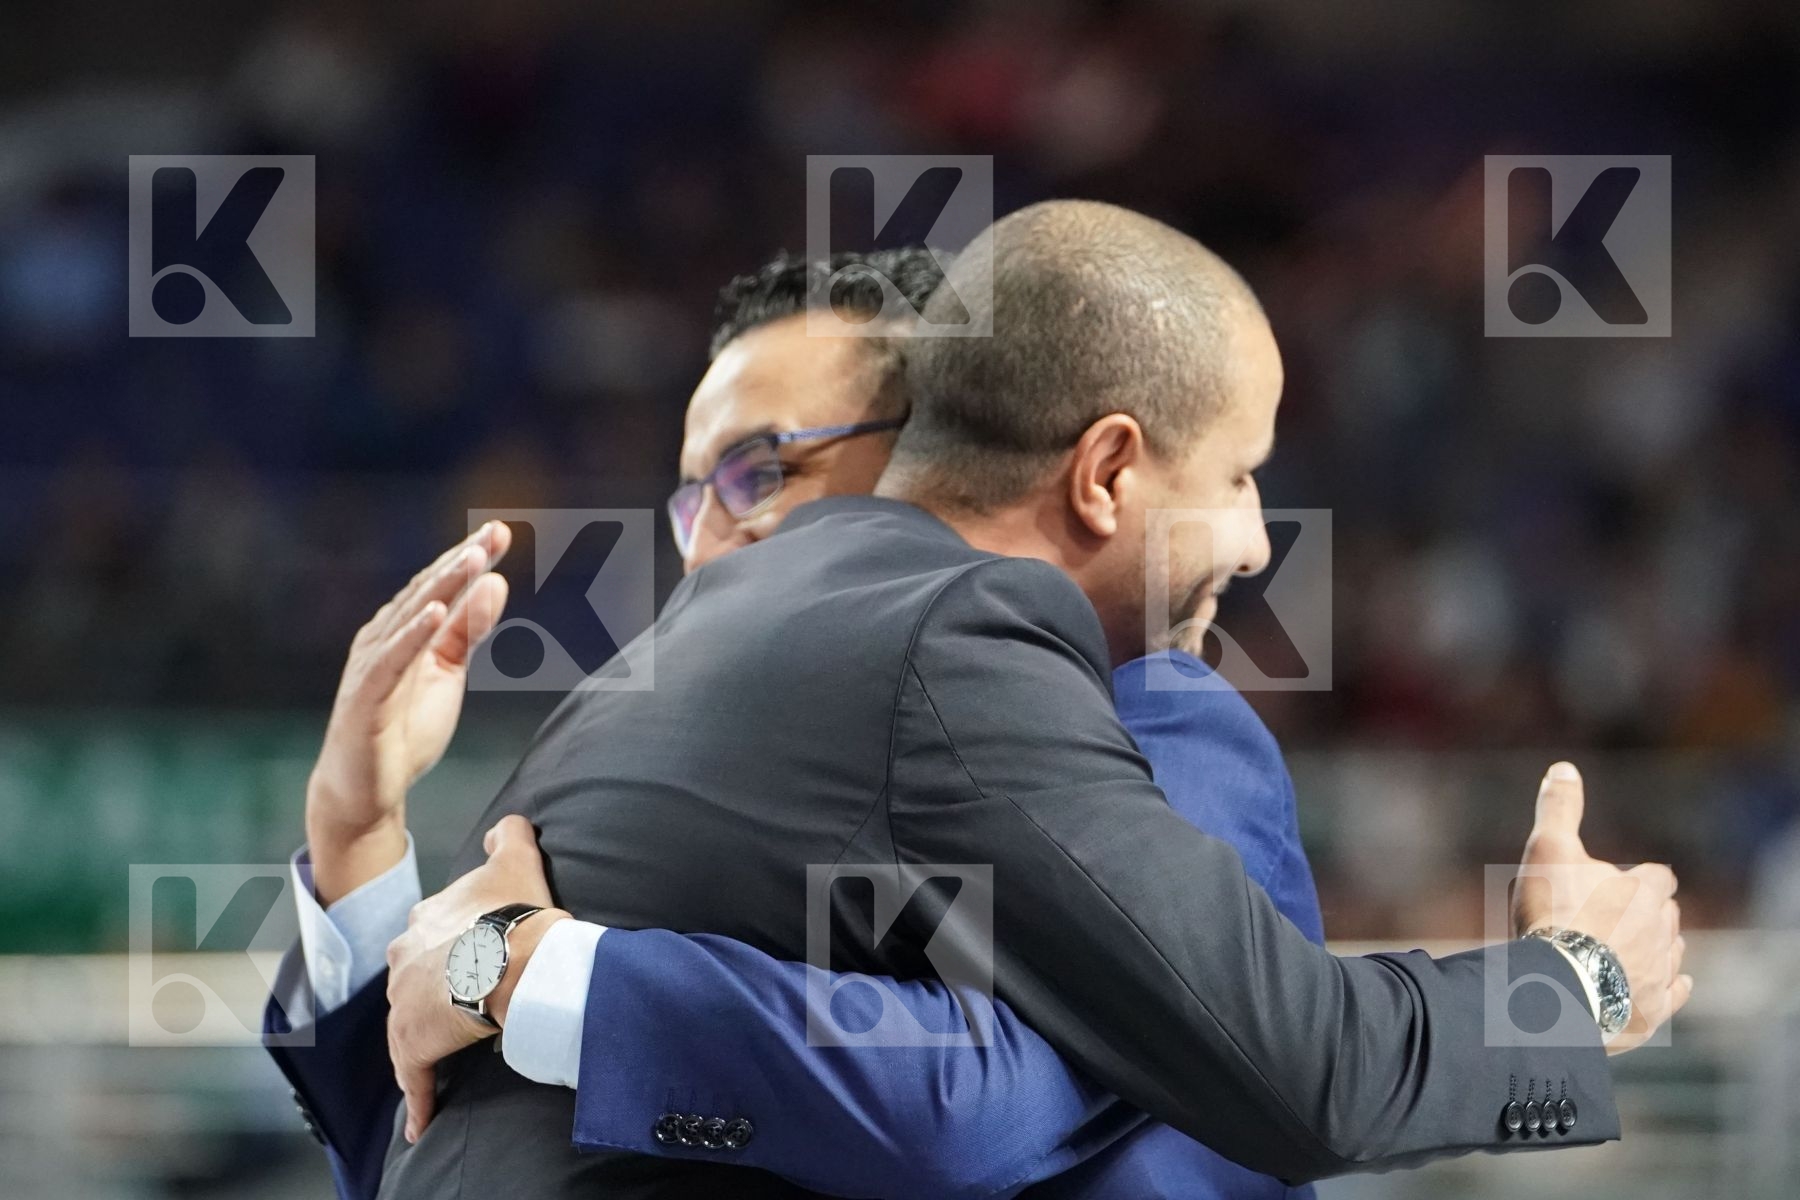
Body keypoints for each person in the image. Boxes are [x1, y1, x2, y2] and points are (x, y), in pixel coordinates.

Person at [282, 204, 1687, 1197]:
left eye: (762, 468)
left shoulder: (1138, 708)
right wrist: (361, 836)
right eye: (695, 483)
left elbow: (1001, 1091)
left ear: (926, 444)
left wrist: (532, 974)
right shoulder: (723, 699)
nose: (711, 536)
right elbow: (442, 1147)